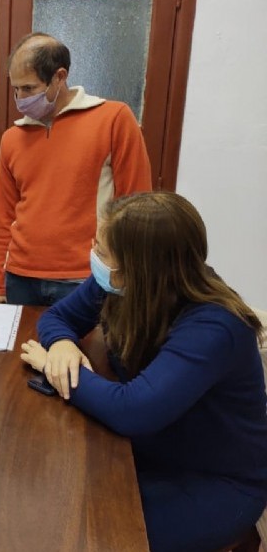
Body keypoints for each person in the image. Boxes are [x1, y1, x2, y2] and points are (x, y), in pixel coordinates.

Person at [20, 192, 267, 552]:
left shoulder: (216, 326)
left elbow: (131, 410)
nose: (94, 256)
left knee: (88, 533)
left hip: (215, 482)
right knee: (50, 501)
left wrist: (52, 368)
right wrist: (61, 346)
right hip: (152, 449)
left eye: (102, 251)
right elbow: (58, 316)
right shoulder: (123, 284)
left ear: (141, 265)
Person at [0, 32, 152, 306]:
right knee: (20, 350)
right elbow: (3, 217)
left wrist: (131, 280)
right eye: (16, 89)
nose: (20, 98)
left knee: (83, 350)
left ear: (59, 77)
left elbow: (137, 207)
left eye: (29, 88)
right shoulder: (12, 138)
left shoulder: (113, 119)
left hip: (87, 278)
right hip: (20, 278)